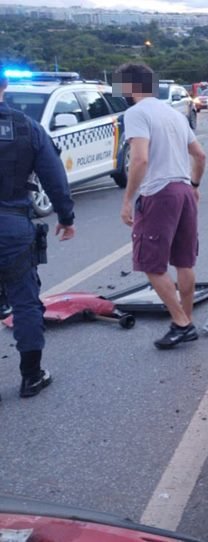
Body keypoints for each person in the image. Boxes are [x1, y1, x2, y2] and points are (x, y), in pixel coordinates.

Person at [115, 63, 207, 349]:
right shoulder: (174, 114)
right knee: (184, 260)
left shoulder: (136, 113)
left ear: (130, 87)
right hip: (183, 191)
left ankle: (182, 322)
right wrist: (194, 186)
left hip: (160, 192)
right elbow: (200, 155)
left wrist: (127, 199)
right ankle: (185, 320)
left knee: (150, 263)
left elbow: (140, 159)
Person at [0, 63, 76, 399]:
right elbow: (54, 177)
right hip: (13, 224)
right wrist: (66, 217)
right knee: (25, 302)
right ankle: (31, 376)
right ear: (4, 88)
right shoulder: (27, 128)